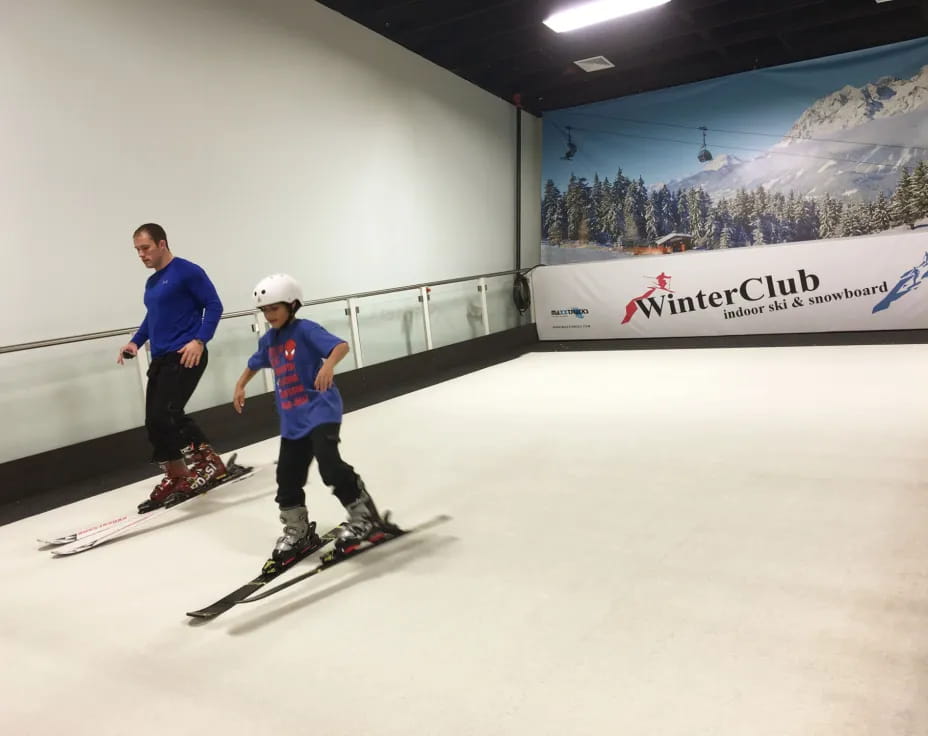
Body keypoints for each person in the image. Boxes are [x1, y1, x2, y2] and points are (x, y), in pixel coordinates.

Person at [232, 273, 383, 561]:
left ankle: (364, 516)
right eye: (265, 310)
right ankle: (298, 531)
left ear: (292, 305)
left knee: (330, 465)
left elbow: (340, 346)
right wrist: (240, 385)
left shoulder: (306, 330)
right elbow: (255, 363)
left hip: (321, 410)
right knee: (287, 477)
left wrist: (328, 366)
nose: (269, 315)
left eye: (275, 308)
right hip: (292, 420)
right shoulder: (269, 340)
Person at [118, 223, 227, 512]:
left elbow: (214, 306)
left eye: (145, 248)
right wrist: (135, 342)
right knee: (154, 421)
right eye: (137, 250)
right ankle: (177, 474)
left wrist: (200, 341)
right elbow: (152, 317)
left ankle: (208, 462)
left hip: (186, 353)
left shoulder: (187, 271)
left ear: (162, 244)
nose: (141, 255)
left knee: (168, 413)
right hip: (162, 358)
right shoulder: (152, 283)